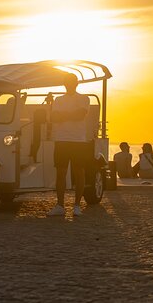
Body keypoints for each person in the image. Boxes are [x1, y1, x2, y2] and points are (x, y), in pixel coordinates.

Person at [47, 73, 90, 217]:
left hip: (78, 140)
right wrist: (71, 115)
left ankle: (77, 206)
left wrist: (63, 115)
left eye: (71, 82)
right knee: (61, 173)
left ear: (76, 83)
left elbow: (80, 116)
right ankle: (60, 205)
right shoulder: (58, 100)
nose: (69, 84)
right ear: (64, 83)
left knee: (79, 172)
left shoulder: (84, 98)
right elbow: (54, 118)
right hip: (61, 139)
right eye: (67, 82)